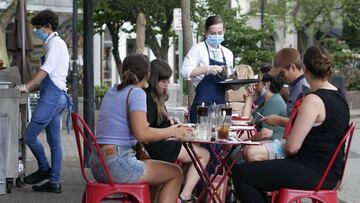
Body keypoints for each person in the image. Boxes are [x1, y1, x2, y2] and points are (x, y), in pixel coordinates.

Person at [231, 45, 350, 203]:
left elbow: (291, 147)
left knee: (241, 174)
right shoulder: (340, 96)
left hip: (312, 171)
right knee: (254, 171)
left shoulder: (313, 100)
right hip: (330, 171)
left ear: (305, 69)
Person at [89, 54, 193, 203]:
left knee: (159, 172)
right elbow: (142, 134)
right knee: (175, 172)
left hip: (98, 163)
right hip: (117, 164)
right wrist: (174, 131)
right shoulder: (136, 93)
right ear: (148, 75)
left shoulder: (112, 91)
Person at [20, 10, 71, 193]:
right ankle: (54, 182)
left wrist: (26, 86)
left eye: (39, 28)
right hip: (56, 96)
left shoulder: (55, 43)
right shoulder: (53, 43)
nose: (37, 31)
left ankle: (44, 169)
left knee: (29, 136)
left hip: (53, 97)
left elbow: (45, 71)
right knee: (54, 141)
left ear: (48, 27)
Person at [144, 59, 210, 202]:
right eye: (163, 81)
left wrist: (170, 119)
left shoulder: (152, 94)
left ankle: (179, 194)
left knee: (193, 155)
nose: (166, 84)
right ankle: (184, 197)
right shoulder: (148, 97)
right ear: (154, 79)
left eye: (167, 81)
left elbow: (157, 119)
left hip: (163, 140)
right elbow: (148, 127)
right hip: (159, 145)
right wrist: (172, 129)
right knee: (203, 154)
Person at [242, 48, 310, 162]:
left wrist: (278, 120)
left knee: (250, 152)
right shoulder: (296, 86)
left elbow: (302, 124)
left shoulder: (303, 89)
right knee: (248, 150)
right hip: (289, 141)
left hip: (296, 145)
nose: (281, 77)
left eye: (282, 73)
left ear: (293, 67)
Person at [181, 15, 234, 123]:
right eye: (213, 33)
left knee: (221, 137)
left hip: (221, 106)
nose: (217, 36)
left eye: (220, 33)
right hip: (202, 106)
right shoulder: (198, 49)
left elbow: (228, 83)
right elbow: (184, 72)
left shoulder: (228, 54)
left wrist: (237, 84)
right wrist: (206, 69)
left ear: (224, 31)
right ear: (206, 33)